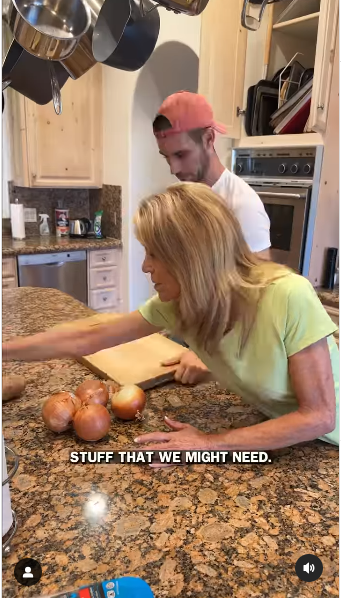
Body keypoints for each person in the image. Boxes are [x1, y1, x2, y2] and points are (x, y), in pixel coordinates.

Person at [4, 183, 339, 453]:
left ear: (190, 257)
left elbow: (320, 417)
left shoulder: (288, 295)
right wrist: (5, 350)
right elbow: (87, 337)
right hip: (287, 437)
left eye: (154, 253)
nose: (145, 266)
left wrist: (210, 442)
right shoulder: (181, 303)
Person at [153, 91, 272, 383]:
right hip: (190, 338)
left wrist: (208, 351)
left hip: (224, 354)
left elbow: (259, 301)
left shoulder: (243, 206)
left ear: (208, 139)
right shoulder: (186, 199)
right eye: (166, 157)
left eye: (181, 154)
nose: (174, 168)